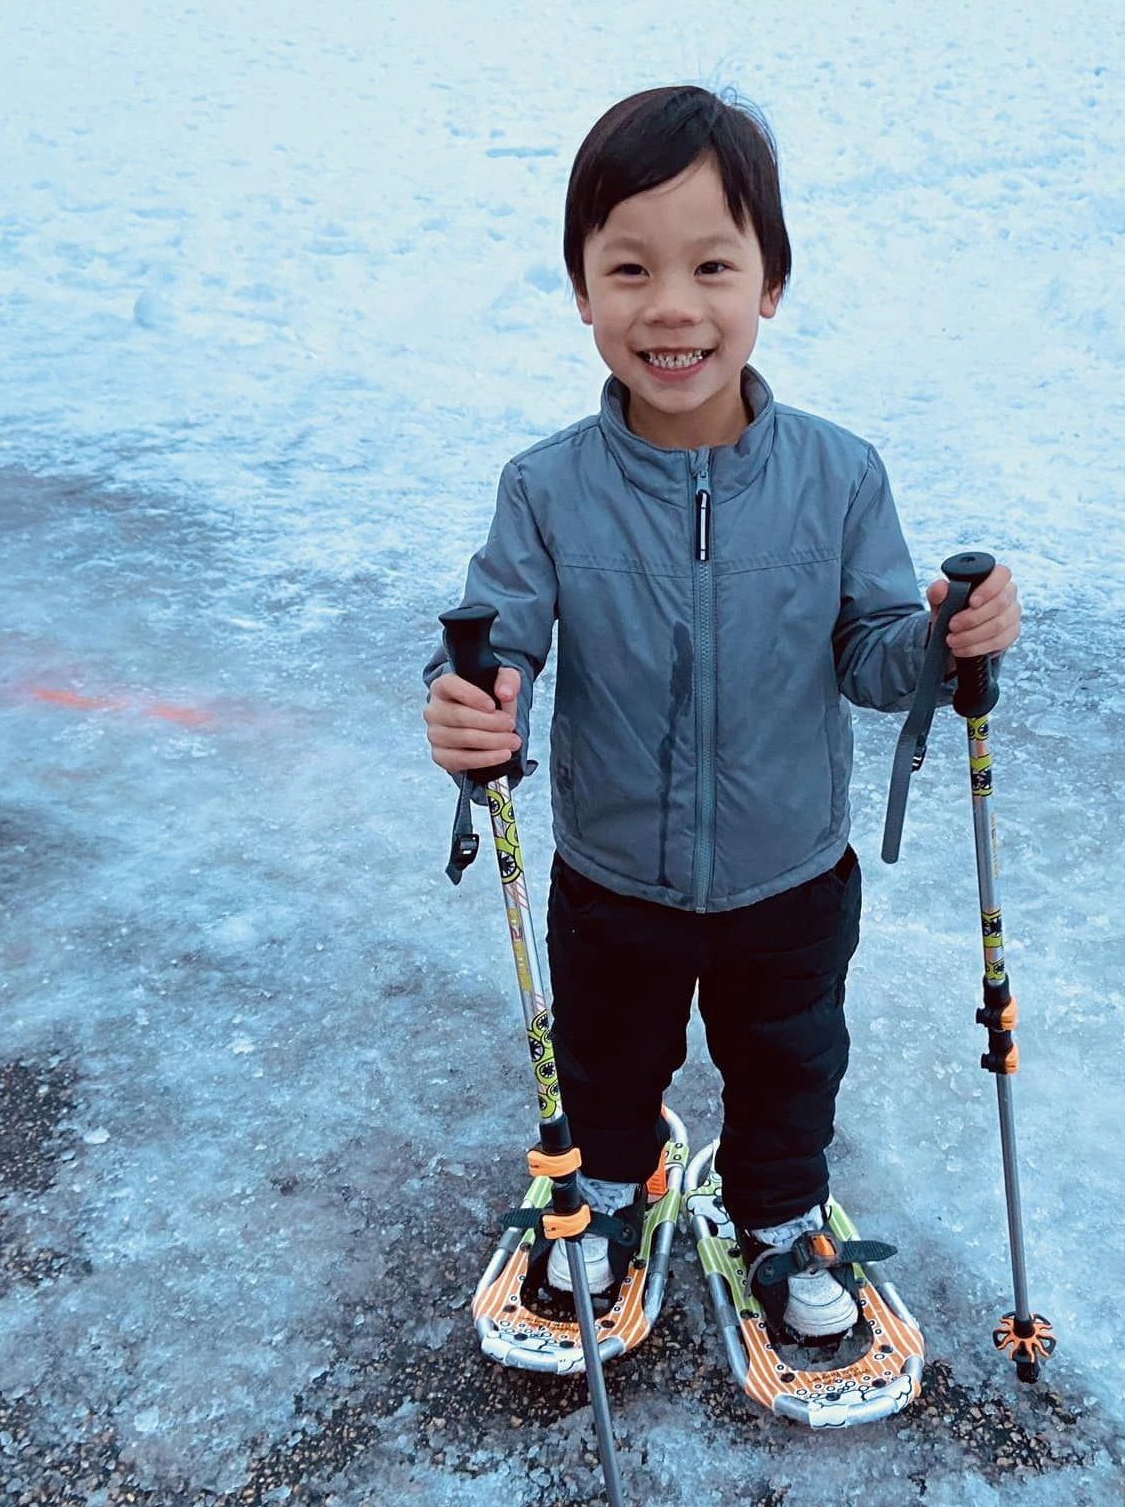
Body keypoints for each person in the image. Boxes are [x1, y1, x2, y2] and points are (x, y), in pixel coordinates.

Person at [423, 85, 1020, 1342]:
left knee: (791, 1068)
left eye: (712, 264)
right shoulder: (546, 490)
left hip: (790, 871)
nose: (673, 308)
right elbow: (504, 642)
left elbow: (871, 651)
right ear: (583, 290)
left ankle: (781, 1213)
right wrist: (479, 708)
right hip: (613, 871)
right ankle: (607, 1179)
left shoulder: (840, 474)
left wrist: (941, 642)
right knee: (604, 1058)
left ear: (770, 284)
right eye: (629, 268)